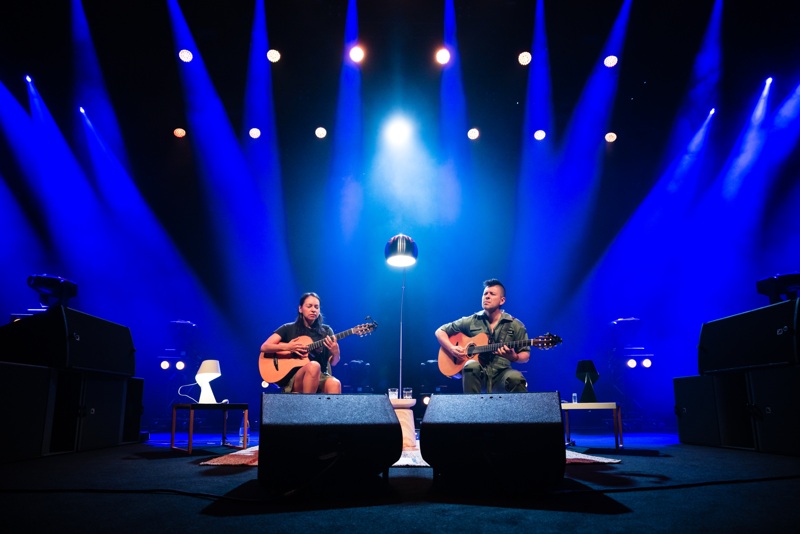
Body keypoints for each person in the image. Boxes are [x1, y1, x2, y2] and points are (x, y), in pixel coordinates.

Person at [435, 278, 529, 393]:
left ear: (502, 300)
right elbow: (440, 331)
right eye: (485, 294)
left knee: (516, 378)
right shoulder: (471, 321)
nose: (487, 296)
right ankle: (472, 409)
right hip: (478, 376)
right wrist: (452, 348)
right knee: (471, 365)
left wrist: (514, 357)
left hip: (502, 374)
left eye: (492, 294)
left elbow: (525, 355)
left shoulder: (515, 325)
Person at [260, 292, 342, 394]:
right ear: (300, 309)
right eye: (309, 306)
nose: (313, 310)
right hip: (295, 378)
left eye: (316, 307)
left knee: (335, 383)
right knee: (314, 366)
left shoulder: (326, 331)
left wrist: (336, 352)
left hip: (321, 376)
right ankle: (307, 408)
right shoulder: (288, 328)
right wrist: (288, 347)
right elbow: (265, 347)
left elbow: (333, 362)